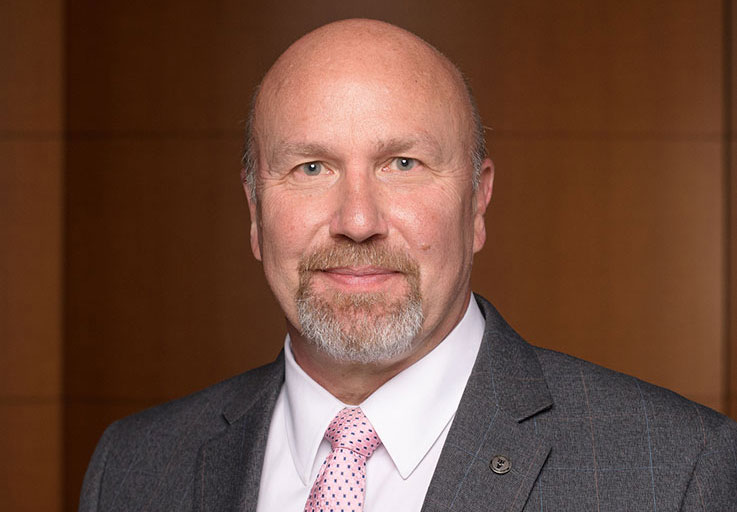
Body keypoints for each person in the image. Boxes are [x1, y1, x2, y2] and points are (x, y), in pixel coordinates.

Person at [79, 18, 737, 512]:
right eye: (311, 167)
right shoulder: (135, 468)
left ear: (476, 200)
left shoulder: (674, 470)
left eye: (402, 164)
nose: (357, 221)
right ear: (254, 211)